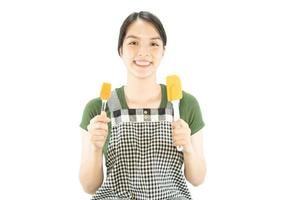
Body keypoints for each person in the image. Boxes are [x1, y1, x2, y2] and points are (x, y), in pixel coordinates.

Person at [79, 11, 206, 200]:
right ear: (120, 50)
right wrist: (95, 148)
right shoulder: (98, 109)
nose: (143, 53)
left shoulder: (185, 104)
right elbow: (90, 187)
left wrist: (188, 146)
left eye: (154, 44)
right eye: (133, 42)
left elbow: (197, 179)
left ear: (164, 50)